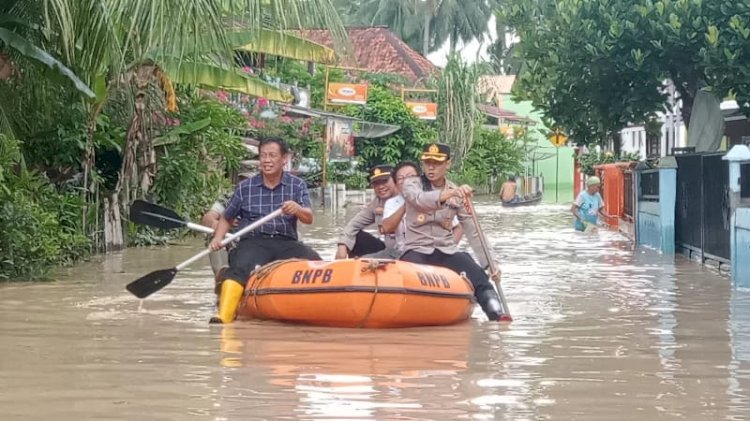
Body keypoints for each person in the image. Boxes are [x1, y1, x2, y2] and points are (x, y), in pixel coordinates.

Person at [208, 137, 322, 324]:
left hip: (286, 242)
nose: (267, 160)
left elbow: (308, 218)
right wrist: (218, 238)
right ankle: (223, 316)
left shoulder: (297, 185)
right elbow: (227, 217)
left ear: (284, 159)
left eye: (272, 156)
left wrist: (297, 209)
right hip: (254, 241)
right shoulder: (245, 188)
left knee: (315, 261)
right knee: (240, 268)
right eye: (263, 156)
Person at [399, 143, 505, 321]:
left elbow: (474, 231)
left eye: (437, 162)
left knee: (479, 276)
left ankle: (497, 314)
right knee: (407, 274)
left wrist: (491, 264)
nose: (431, 167)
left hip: (446, 250)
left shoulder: (457, 192)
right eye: (427, 162)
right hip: (417, 249)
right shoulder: (412, 184)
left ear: (448, 164)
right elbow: (420, 200)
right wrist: (449, 194)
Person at [381, 161, 462, 257]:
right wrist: (408, 204)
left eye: (411, 177)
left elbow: (458, 227)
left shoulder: (432, 198)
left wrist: (447, 248)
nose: (406, 181)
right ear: (396, 184)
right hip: (401, 252)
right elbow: (386, 228)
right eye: (400, 178)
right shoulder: (392, 203)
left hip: (432, 251)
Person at [201, 162, 254, 278]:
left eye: (249, 180)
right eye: (242, 179)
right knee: (214, 235)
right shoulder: (229, 197)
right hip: (231, 243)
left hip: (256, 242)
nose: (245, 184)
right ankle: (222, 276)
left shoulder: (265, 198)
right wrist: (217, 224)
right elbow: (208, 217)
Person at [334, 165, 398, 259]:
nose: (380, 186)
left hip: (408, 251)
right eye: (376, 183)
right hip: (389, 250)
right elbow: (353, 225)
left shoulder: (408, 199)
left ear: (395, 180)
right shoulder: (376, 203)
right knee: (355, 236)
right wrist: (343, 244)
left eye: (385, 181)